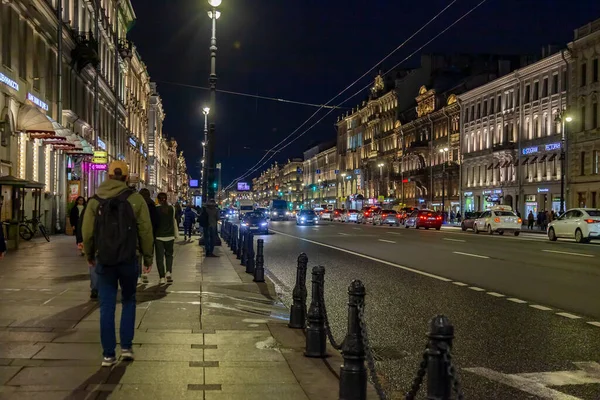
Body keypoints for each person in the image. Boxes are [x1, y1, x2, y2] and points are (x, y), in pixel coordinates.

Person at [82, 161, 154, 367]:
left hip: (104, 259)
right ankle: (126, 347)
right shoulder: (135, 199)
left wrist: (89, 254)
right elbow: (146, 230)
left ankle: (108, 354)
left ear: (108, 176)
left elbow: (87, 232)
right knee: (129, 301)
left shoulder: (95, 200)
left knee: (106, 306)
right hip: (129, 259)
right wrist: (148, 257)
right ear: (126, 177)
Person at [155, 192, 179, 284]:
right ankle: (168, 272)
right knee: (169, 255)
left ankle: (161, 277)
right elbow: (174, 221)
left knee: (159, 258)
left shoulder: (156, 209)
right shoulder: (172, 209)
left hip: (159, 236)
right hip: (170, 236)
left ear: (158, 199)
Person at [138, 188, 158, 284]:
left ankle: (138, 275)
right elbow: (155, 220)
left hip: (138, 232)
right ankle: (145, 272)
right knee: (148, 252)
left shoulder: (138, 204)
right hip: (150, 232)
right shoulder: (152, 205)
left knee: (138, 254)